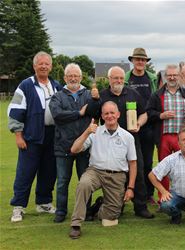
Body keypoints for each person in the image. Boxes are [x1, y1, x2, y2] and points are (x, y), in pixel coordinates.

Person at [91, 66, 154, 219]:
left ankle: (140, 207)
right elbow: (95, 118)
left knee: (137, 171)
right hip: (109, 142)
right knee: (116, 172)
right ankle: (113, 202)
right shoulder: (103, 96)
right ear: (109, 79)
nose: (118, 81)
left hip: (131, 140)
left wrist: (139, 123)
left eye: (120, 78)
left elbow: (144, 113)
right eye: (115, 78)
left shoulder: (133, 93)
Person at [8, 51, 62, 222]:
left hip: (52, 136)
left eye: (47, 64)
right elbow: (15, 111)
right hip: (31, 136)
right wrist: (18, 135)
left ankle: (44, 203)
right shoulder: (25, 85)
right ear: (35, 66)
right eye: (41, 63)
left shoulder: (57, 86)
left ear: (51, 67)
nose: (44, 66)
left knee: (48, 171)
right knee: (25, 172)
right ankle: (18, 207)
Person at [68, 101, 137, 239]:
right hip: (96, 172)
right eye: (106, 113)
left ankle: (99, 206)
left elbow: (133, 163)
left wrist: (130, 188)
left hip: (117, 176)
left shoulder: (127, 137)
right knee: (84, 184)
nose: (109, 116)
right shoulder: (94, 132)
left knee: (110, 218)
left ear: (118, 114)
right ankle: (76, 224)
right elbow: (74, 149)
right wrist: (87, 132)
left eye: (112, 113)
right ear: (102, 116)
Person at [49, 63, 100, 223]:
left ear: (80, 77)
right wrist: (79, 113)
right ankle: (61, 211)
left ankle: (85, 211)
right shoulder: (57, 96)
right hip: (63, 145)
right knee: (63, 181)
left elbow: (95, 112)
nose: (73, 78)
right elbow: (57, 115)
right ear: (64, 78)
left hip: (85, 146)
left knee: (85, 181)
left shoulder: (88, 94)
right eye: (70, 75)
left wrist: (96, 100)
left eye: (76, 75)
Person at [146, 64, 185, 203]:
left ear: (180, 76)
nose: (172, 77)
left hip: (182, 137)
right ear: (165, 77)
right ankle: (164, 198)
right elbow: (148, 112)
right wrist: (161, 115)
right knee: (164, 169)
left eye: (175, 75)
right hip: (164, 136)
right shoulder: (157, 95)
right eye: (169, 75)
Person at [125, 48, 158, 205]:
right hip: (127, 127)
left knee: (147, 162)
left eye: (143, 60)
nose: (140, 62)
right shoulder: (126, 78)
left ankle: (148, 194)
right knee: (129, 162)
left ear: (146, 62)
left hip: (148, 125)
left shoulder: (152, 78)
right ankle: (129, 191)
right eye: (137, 59)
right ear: (132, 61)